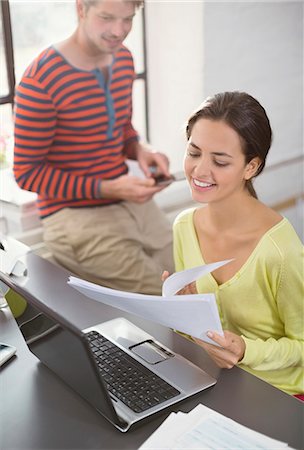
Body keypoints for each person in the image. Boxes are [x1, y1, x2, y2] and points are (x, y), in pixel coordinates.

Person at [13, 0, 174, 295]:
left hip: (130, 203)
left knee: (190, 280)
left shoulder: (123, 59)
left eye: (128, 19)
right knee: (164, 297)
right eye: (107, 18)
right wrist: (108, 188)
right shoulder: (42, 80)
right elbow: (26, 173)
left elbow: (122, 128)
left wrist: (140, 151)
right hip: (74, 217)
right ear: (81, 9)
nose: (119, 31)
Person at [168, 91, 303, 396]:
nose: (200, 171)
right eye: (194, 152)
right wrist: (181, 311)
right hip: (209, 380)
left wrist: (245, 351)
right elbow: (192, 332)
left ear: (250, 167)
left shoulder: (280, 251)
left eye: (220, 161)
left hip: (280, 394)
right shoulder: (184, 227)